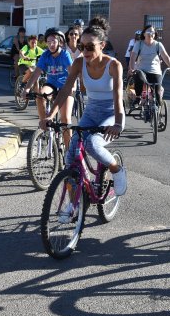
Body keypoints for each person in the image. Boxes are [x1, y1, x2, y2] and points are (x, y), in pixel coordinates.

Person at [39, 16, 127, 223]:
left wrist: (118, 123)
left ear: (102, 45)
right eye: (81, 46)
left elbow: (118, 98)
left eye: (90, 46)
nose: (85, 51)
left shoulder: (113, 65)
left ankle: (116, 169)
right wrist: (50, 116)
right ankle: (74, 205)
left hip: (110, 113)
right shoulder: (79, 62)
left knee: (92, 144)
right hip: (91, 112)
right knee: (70, 159)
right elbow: (65, 91)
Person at [23, 28, 74, 147]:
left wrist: (72, 87)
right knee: (40, 96)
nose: (51, 44)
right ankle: (44, 125)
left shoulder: (64, 54)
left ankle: (69, 152)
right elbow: (36, 73)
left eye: (54, 41)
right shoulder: (45, 55)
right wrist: (27, 88)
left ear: (60, 42)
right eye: (49, 42)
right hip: (51, 83)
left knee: (65, 120)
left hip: (65, 86)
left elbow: (72, 73)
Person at [128, 25, 170, 108]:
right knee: (139, 78)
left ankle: (157, 113)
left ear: (154, 34)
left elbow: (165, 56)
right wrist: (132, 69)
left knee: (157, 93)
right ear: (144, 34)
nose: (150, 34)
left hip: (155, 71)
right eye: (148, 32)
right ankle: (138, 98)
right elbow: (133, 57)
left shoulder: (158, 45)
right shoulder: (139, 44)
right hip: (142, 70)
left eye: (152, 32)